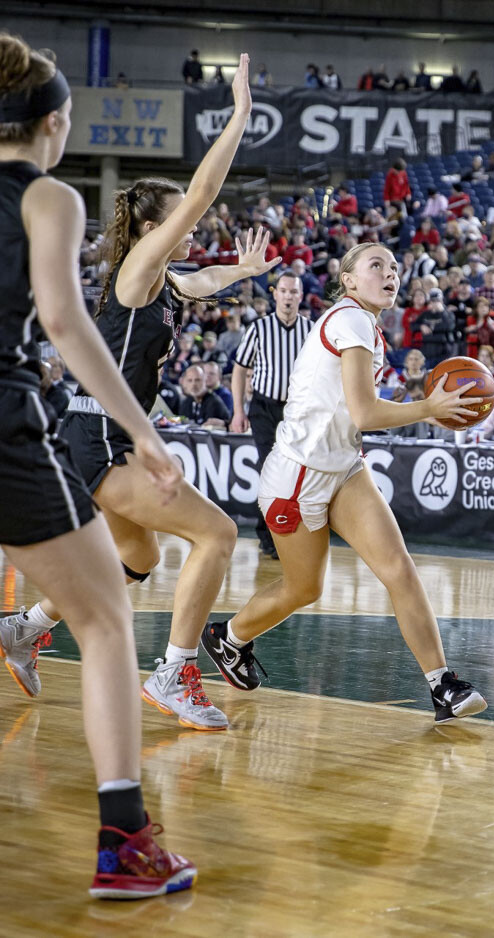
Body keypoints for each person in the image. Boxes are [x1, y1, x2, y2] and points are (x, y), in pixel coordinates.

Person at [2, 56, 280, 732]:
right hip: (99, 435)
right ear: (161, 225)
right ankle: (174, 672)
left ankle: (24, 629)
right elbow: (204, 192)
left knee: (141, 556)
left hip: (95, 433)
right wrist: (240, 116)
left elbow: (202, 281)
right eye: (180, 221)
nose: (193, 230)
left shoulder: (160, 277)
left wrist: (238, 270)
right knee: (215, 534)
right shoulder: (139, 265)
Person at [0, 31, 193, 898]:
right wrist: (140, 430)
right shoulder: (48, 199)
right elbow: (66, 326)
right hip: (5, 421)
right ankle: (124, 843)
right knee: (109, 619)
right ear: (56, 124)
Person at [200, 243, 487, 724]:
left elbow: (354, 410)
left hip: (343, 467)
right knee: (303, 588)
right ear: (348, 280)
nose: (391, 272)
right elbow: (366, 413)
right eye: (377, 265)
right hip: (297, 477)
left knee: (399, 568)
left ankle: (443, 686)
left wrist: (422, 403)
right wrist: (429, 409)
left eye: (396, 267)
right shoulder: (349, 319)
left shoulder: (365, 326)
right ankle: (226, 637)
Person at [230, 271, 313, 558]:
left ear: (300, 296)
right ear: (275, 294)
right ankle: (269, 537)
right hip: (264, 408)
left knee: (295, 473)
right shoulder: (258, 328)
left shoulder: (311, 330)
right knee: (271, 469)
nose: (289, 296)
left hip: (297, 411)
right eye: (284, 291)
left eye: (294, 292)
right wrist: (238, 411)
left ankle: (290, 534)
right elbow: (240, 370)